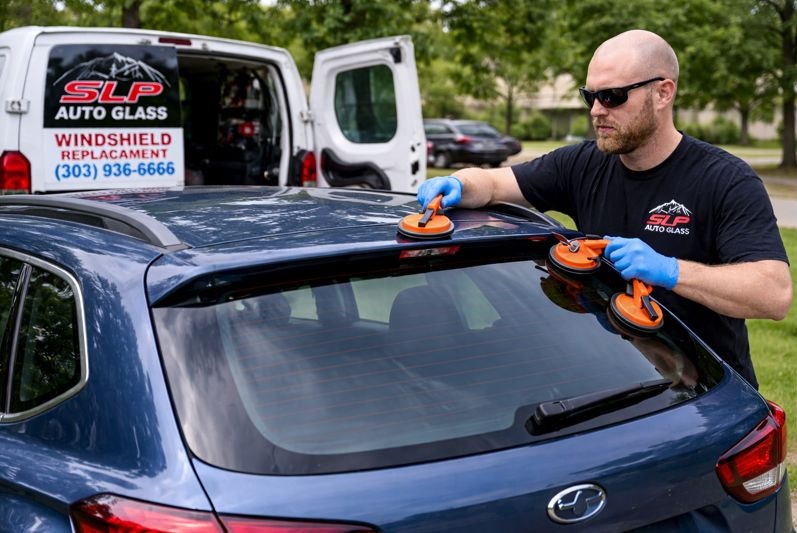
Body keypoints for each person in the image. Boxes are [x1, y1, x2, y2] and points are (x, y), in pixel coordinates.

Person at [417, 29, 792, 388]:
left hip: (707, 396)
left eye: (612, 96)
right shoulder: (581, 165)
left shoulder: (725, 180)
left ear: (663, 93)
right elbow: (495, 183)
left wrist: (670, 270)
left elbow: (773, 294)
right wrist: (460, 183)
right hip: (616, 387)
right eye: (590, 96)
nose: (597, 110)